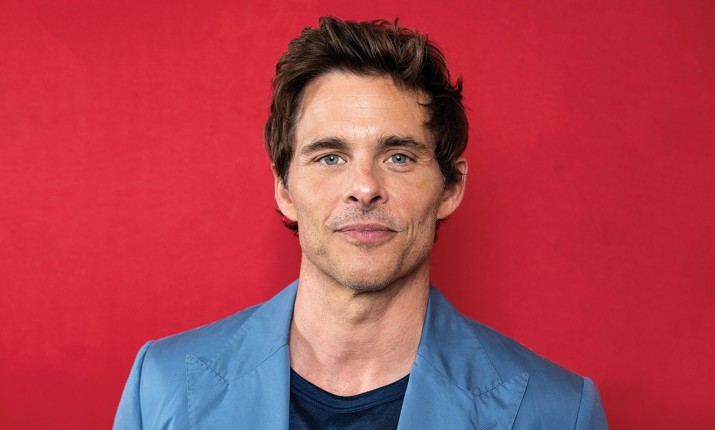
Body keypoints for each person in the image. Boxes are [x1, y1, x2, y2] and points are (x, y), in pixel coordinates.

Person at [114, 16, 608, 429]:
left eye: (398, 157)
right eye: (330, 157)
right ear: (284, 189)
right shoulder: (160, 384)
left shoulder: (559, 412)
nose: (365, 187)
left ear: (451, 188)